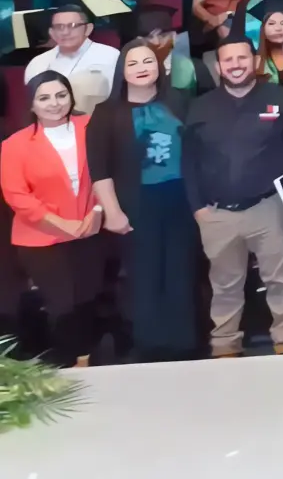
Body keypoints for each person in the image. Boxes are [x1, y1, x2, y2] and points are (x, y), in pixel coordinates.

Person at [181, 36, 283, 356]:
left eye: (242, 59)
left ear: (255, 62)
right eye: (228, 60)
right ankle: (225, 344)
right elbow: (189, 163)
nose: (236, 65)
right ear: (218, 66)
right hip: (217, 213)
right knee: (224, 284)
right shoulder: (200, 106)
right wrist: (197, 207)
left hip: (269, 206)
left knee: (280, 278)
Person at [86, 39, 200, 360]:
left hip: (180, 201)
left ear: (160, 66)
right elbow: (100, 169)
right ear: (122, 70)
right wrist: (112, 211)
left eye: (147, 62)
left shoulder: (179, 101)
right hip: (135, 205)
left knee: (181, 271)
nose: (141, 69)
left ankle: (185, 344)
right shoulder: (107, 113)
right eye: (132, 64)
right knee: (144, 275)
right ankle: (150, 345)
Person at [1, 72, 110, 366]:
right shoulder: (14, 144)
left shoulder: (91, 127)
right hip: (41, 238)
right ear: (32, 104)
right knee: (63, 305)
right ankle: (68, 366)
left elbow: (108, 173)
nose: (54, 103)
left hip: (90, 229)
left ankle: (87, 361)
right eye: (44, 98)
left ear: (71, 97)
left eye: (61, 95)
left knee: (88, 299)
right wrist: (64, 225)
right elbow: (17, 196)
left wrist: (97, 212)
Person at [24, 6, 121, 116]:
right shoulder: (37, 63)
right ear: (51, 32)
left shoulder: (111, 56)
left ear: (88, 29)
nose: (65, 32)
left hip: (98, 124)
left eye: (73, 26)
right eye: (59, 27)